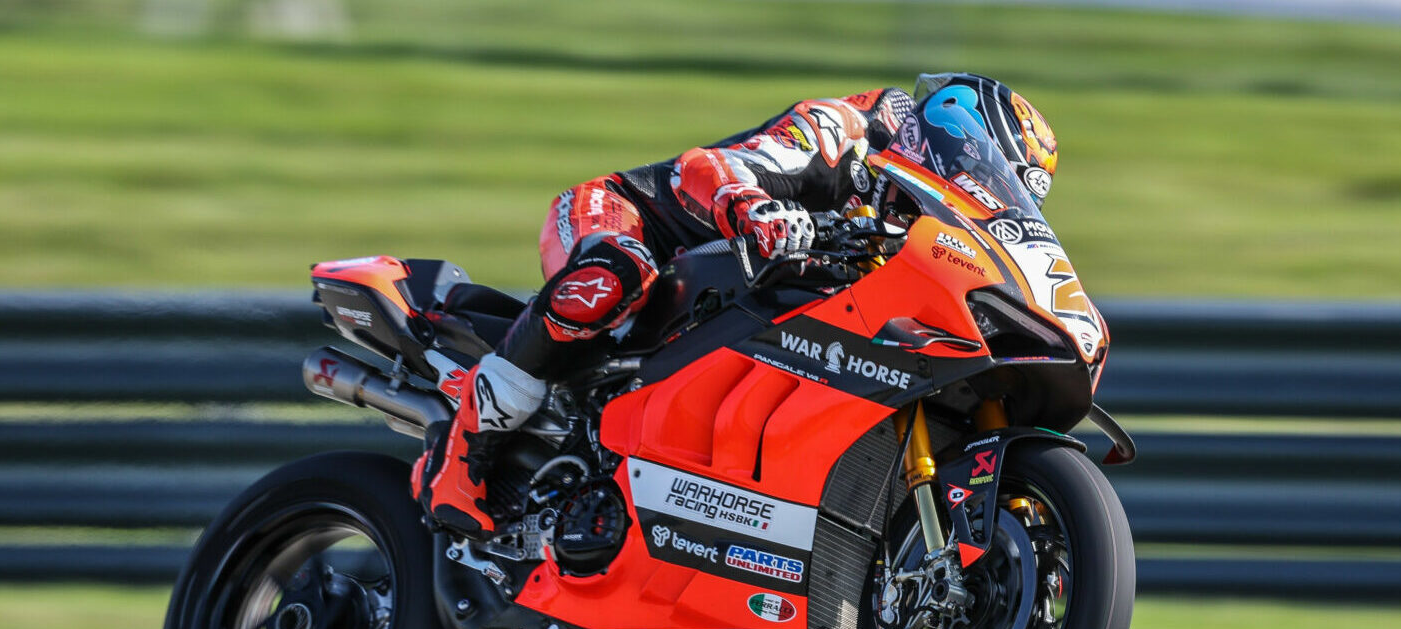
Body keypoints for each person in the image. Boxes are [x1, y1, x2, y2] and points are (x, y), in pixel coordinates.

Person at [416, 73, 1060, 538]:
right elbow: (703, 167)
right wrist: (750, 208)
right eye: (991, 171)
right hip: (630, 218)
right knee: (620, 272)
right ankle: (465, 442)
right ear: (957, 135)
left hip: (725, 301)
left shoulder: (918, 213)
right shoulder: (851, 133)